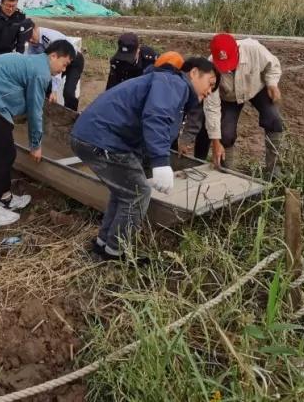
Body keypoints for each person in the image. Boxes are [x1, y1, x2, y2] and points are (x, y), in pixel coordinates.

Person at [70, 56, 219, 262]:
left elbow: (144, 128)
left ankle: (104, 244)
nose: (210, 91)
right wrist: (160, 163)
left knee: (124, 191)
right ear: (194, 73)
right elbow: (156, 117)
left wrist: (148, 161)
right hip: (103, 138)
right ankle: (115, 253)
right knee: (138, 193)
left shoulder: (164, 84)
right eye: (210, 83)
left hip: (95, 135)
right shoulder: (174, 83)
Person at [0, 39, 76, 225]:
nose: (63, 70)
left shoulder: (35, 62)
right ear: (53, 56)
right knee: (1, 155)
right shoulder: (40, 72)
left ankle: (5, 198)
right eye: (64, 64)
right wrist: (35, 144)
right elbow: (35, 110)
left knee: (5, 152)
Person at [181, 33, 285, 176]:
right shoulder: (210, 68)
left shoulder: (253, 49)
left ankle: (274, 172)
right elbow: (212, 108)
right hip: (229, 98)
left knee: (274, 119)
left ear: (237, 50)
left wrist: (272, 84)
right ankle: (228, 172)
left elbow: (273, 65)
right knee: (226, 134)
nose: (227, 68)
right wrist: (216, 142)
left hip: (256, 88)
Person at [25, 23, 84, 110]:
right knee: (46, 86)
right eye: (27, 40)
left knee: (68, 92)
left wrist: (54, 90)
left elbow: (58, 63)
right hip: (57, 62)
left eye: (31, 36)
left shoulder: (50, 38)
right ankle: (47, 112)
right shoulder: (33, 41)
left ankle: (72, 117)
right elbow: (30, 59)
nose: (30, 40)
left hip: (74, 62)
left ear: (35, 29)